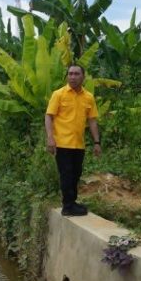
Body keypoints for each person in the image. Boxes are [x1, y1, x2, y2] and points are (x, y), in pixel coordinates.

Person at [45, 65, 101, 216]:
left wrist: (97, 142)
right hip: (62, 142)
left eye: (76, 74)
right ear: (67, 76)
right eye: (70, 74)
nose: (73, 77)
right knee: (66, 174)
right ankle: (68, 206)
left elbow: (92, 121)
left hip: (79, 144)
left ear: (83, 77)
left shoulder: (88, 97)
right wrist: (50, 138)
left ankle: (72, 202)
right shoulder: (58, 94)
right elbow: (49, 116)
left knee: (76, 174)